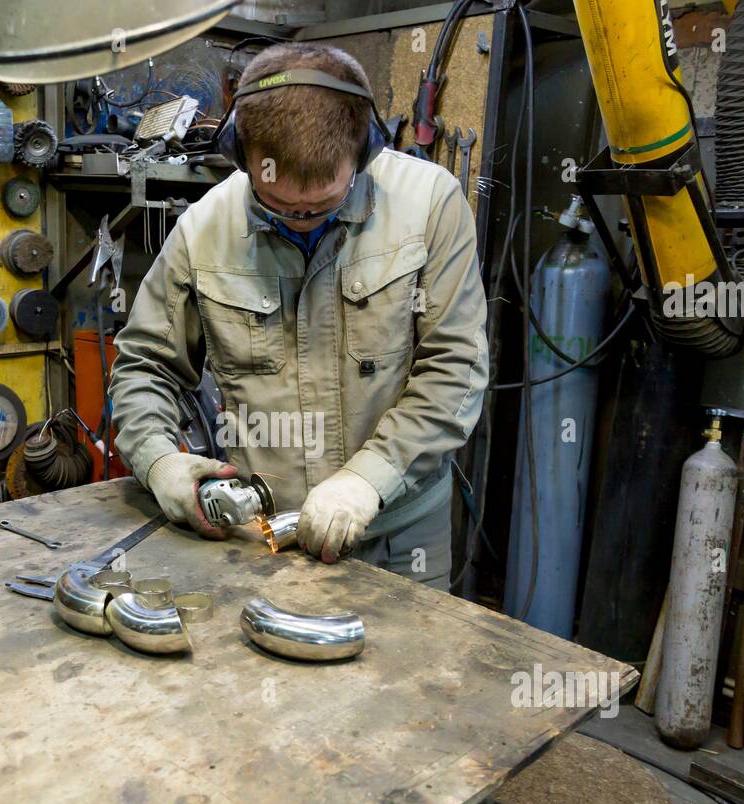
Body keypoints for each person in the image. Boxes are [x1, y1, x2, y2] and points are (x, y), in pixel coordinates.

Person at [107, 42, 488, 591]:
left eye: (323, 206)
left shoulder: (431, 205)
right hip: (261, 534)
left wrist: (366, 480)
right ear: (242, 154)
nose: (303, 220)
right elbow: (146, 366)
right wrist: (159, 460)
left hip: (398, 532)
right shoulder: (204, 230)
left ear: (365, 151)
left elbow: (455, 366)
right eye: (280, 206)